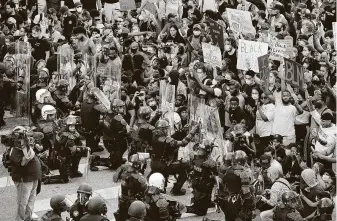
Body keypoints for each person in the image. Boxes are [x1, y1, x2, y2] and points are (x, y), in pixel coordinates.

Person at [150, 119, 199, 195]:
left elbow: (172, 138)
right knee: (186, 166)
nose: (167, 130)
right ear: (163, 129)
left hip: (155, 163)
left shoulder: (154, 135)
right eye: (166, 128)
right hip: (164, 165)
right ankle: (176, 190)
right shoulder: (166, 140)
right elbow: (183, 143)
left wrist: (182, 131)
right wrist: (193, 131)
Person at [8, 126, 42, 221]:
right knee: (23, 204)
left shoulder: (26, 147)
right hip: (24, 180)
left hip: (34, 178)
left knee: (30, 203)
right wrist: (29, 151)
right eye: (24, 136)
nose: (27, 138)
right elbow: (23, 162)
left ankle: (28, 219)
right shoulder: (15, 150)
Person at [90, 99, 130, 170]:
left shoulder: (108, 113)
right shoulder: (117, 119)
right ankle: (95, 161)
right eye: (120, 107)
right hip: (112, 141)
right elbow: (126, 131)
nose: (122, 109)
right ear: (115, 108)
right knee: (115, 166)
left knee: (122, 145)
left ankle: (117, 157)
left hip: (109, 139)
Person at [113, 154, 148, 221]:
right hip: (132, 202)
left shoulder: (123, 169)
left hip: (122, 199)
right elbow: (145, 189)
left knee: (121, 216)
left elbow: (115, 178)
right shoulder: (138, 177)